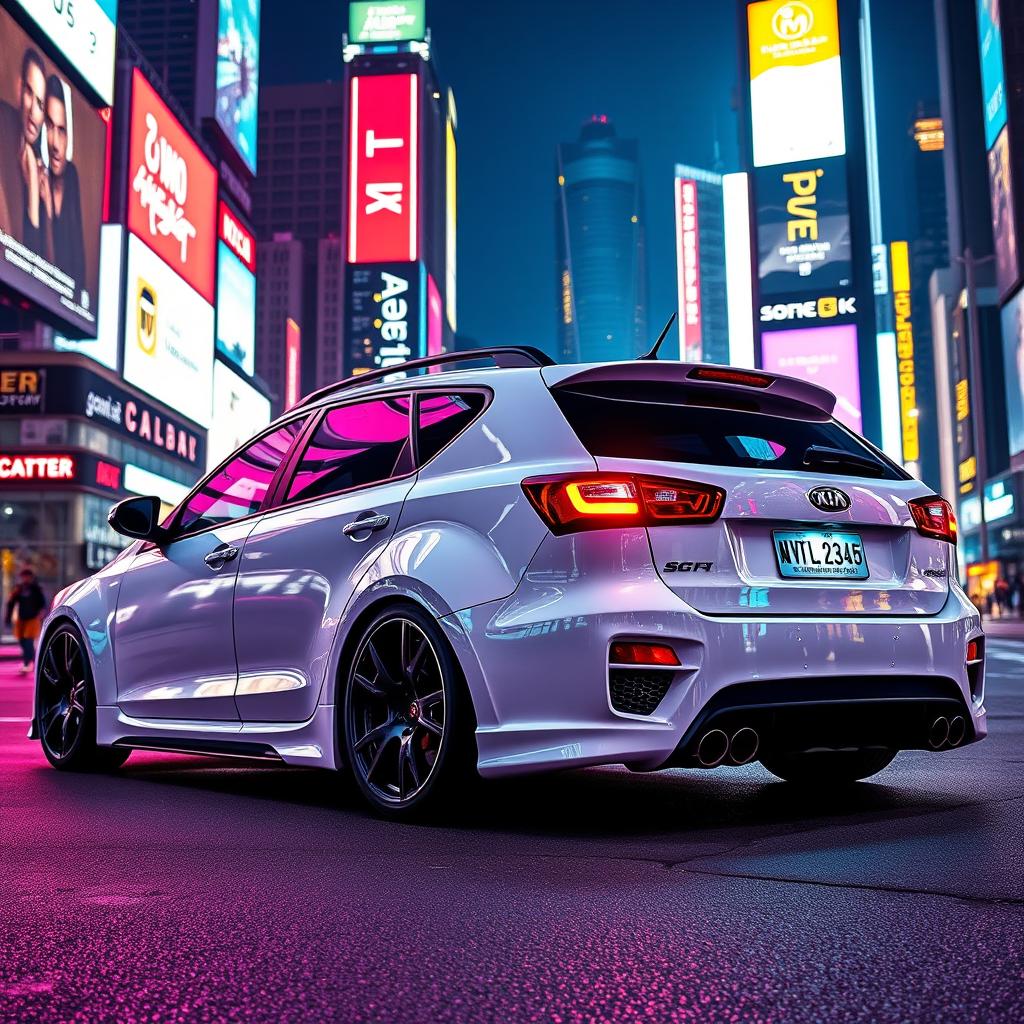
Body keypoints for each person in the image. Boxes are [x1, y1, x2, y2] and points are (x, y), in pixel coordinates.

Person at [0, 48, 48, 251]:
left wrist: (34, 192)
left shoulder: (38, 167)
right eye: (29, 92)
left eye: (40, 104)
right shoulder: (3, 121)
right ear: (19, 88)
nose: (33, 112)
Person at [40, 75, 84, 288]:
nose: (56, 144)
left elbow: (79, 268)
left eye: (62, 130)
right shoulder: (35, 174)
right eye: (49, 126)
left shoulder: (71, 175)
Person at [5, 568, 46, 673]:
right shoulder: (18, 589)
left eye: (27, 576)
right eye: (23, 576)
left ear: (31, 577)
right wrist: (8, 617)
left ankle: (28, 663)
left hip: (32, 619)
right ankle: (31, 661)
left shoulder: (36, 589)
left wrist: (41, 613)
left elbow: (42, 603)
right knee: (22, 641)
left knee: (28, 641)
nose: (25, 578)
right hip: (21, 619)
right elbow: (11, 603)